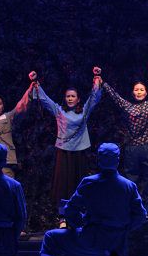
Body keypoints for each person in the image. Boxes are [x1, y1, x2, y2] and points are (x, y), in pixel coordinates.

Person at [38, 143, 146, 256]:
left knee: (51, 238)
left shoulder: (88, 182)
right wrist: (124, 227)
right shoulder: (129, 186)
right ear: (117, 161)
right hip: (117, 243)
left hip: (91, 239)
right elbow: (140, 215)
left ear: (99, 161)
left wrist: (81, 221)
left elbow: (70, 210)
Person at [32, 67, 102, 227]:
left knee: (80, 185)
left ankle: (80, 217)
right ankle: (62, 218)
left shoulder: (84, 111)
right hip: (64, 154)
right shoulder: (59, 111)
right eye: (68, 96)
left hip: (79, 154)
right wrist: (35, 82)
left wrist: (97, 78)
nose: (70, 98)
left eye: (73, 96)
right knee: (63, 186)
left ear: (78, 99)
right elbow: (44, 99)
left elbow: (95, 97)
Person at [101, 63, 148, 217]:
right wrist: (102, 83)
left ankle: (146, 211)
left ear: (146, 92)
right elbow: (115, 97)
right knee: (130, 181)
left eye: (142, 89)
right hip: (132, 148)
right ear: (132, 92)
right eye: (136, 89)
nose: (139, 91)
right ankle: (132, 210)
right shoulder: (127, 106)